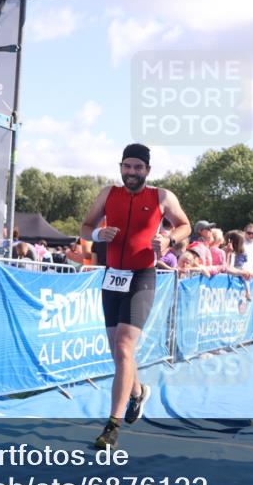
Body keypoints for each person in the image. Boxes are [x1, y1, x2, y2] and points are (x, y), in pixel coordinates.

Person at [80, 144, 190, 450]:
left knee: (124, 347)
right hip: (112, 277)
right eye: (127, 166)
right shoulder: (108, 194)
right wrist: (97, 235)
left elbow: (185, 225)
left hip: (142, 276)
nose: (131, 172)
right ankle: (138, 393)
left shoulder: (162, 196)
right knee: (118, 353)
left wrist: (168, 238)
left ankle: (112, 427)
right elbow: (85, 226)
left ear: (147, 170)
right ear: (121, 167)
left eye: (138, 167)